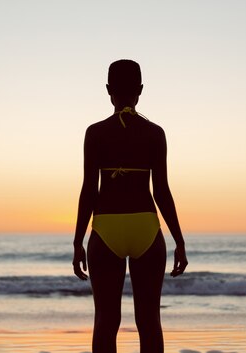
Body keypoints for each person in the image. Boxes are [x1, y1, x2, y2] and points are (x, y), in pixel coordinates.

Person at [72, 59, 188, 353]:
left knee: (106, 321)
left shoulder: (95, 132)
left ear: (108, 90)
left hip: (107, 226)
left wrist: (77, 241)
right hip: (146, 228)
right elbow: (161, 190)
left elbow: (89, 190)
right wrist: (179, 240)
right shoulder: (154, 133)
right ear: (140, 90)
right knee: (149, 321)